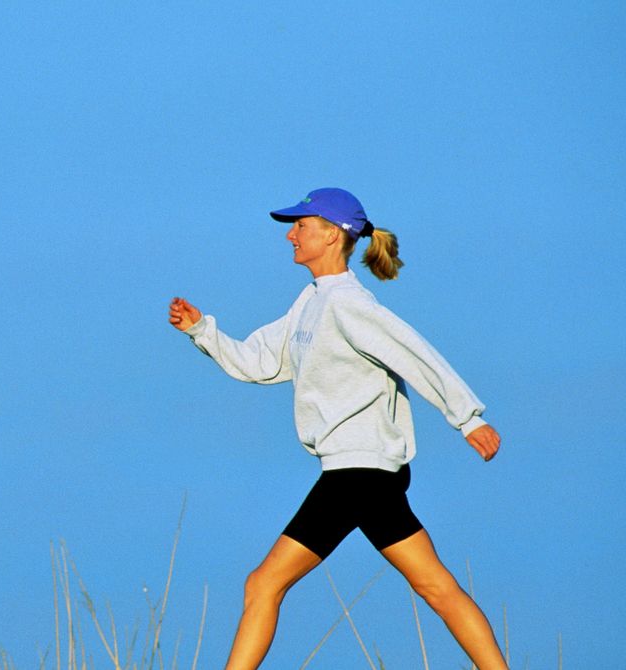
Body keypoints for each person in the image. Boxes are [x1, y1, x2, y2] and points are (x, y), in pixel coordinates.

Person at [167, 187, 507, 670]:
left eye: (301, 225)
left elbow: (414, 353)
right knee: (435, 586)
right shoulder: (310, 302)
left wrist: (468, 419)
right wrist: (203, 331)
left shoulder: (348, 304)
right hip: (365, 470)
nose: (291, 234)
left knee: (264, 583)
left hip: (357, 469)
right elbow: (261, 362)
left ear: (331, 235)